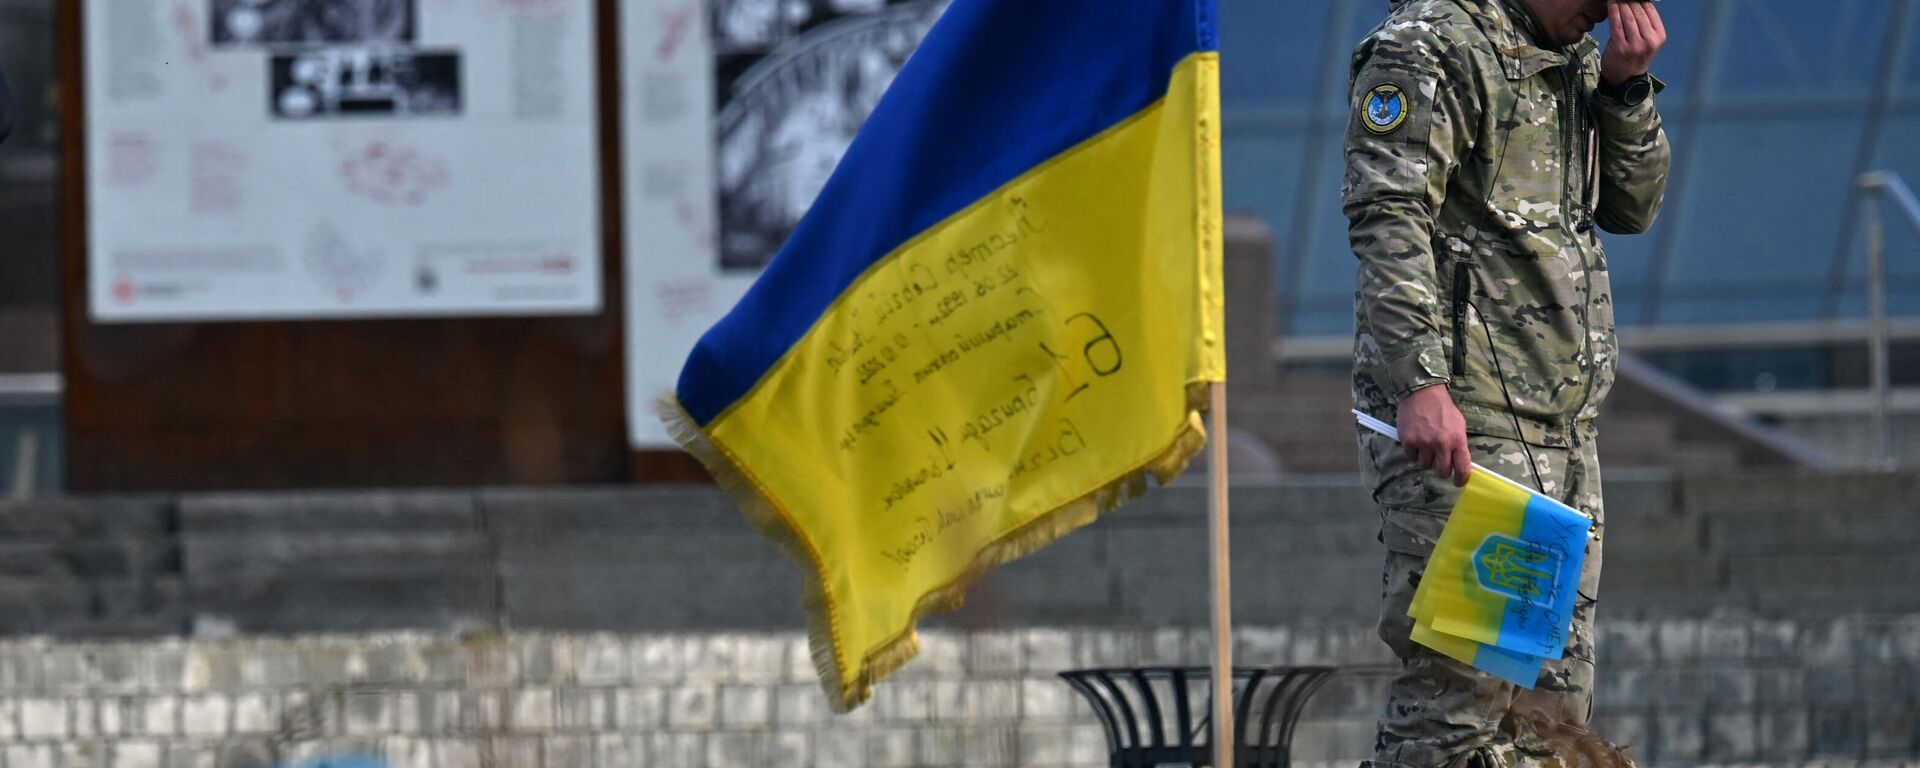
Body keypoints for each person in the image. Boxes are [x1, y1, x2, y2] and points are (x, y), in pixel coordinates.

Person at [1345, 0, 1670, 765]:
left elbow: (1632, 207)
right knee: (1463, 703)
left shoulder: (1573, 56)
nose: (1603, 18)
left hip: (1559, 426)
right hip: (1471, 426)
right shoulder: (1430, 45)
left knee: (1552, 716)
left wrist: (1625, 89)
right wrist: (1419, 383)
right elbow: (1388, 217)